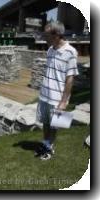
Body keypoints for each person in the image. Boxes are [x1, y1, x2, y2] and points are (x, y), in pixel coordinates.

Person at [36, 21, 79, 160]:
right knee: (45, 123)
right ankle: (45, 143)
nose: (44, 37)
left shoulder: (71, 52)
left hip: (58, 98)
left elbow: (70, 79)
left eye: (46, 35)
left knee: (56, 125)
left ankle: (50, 148)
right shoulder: (50, 50)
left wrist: (64, 101)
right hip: (44, 95)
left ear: (57, 35)